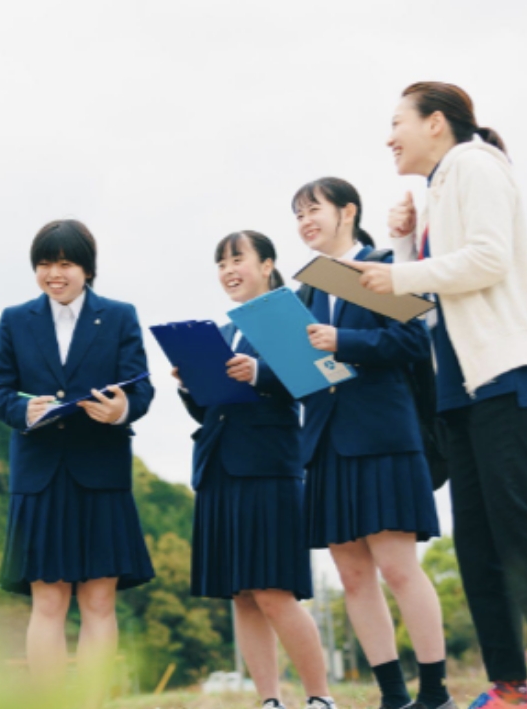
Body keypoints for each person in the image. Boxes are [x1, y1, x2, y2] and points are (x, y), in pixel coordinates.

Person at [348, 82, 527, 709]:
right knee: (478, 547)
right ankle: (510, 689)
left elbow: (488, 260)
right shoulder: (440, 188)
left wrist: (402, 268)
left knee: (523, 533)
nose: (388, 137)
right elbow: (423, 308)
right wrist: (401, 245)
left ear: (438, 124)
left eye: (397, 122)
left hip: (511, 376)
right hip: (463, 392)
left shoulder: (475, 164)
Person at [293, 178, 454, 709]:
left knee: (398, 568)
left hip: (383, 435)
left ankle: (435, 693)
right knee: (353, 576)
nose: (305, 221)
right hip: (326, 439)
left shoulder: (382, 266)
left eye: (313, 209)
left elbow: (413, 340)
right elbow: (306, 370)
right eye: (298, 214)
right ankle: (393, 696)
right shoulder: (308, 290)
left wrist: (346, 342)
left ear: (347, 212)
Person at [0, 219, 156, 708]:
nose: (53, 273)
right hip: (39, 474)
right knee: (49, 600)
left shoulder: (120, 316)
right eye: (44, 263)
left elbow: (140, 388)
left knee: (99, 601)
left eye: (64, 263)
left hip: (101, 471)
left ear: (86, 268)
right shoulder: (15, 319)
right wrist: (23, 410)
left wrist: (120, 409)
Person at [177, 231, 337, 709]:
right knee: (242, 594)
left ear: (267, 264)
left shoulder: (290, 318)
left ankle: (319, 698)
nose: (228, 269)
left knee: (273, 590)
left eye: (237, 259)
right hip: (220, 467)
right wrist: (190, 386)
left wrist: (259, 373)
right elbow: (214, 408)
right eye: (221, 261)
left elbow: (313, 385)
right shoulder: (224, 333)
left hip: (269, 468)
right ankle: (269, 700)